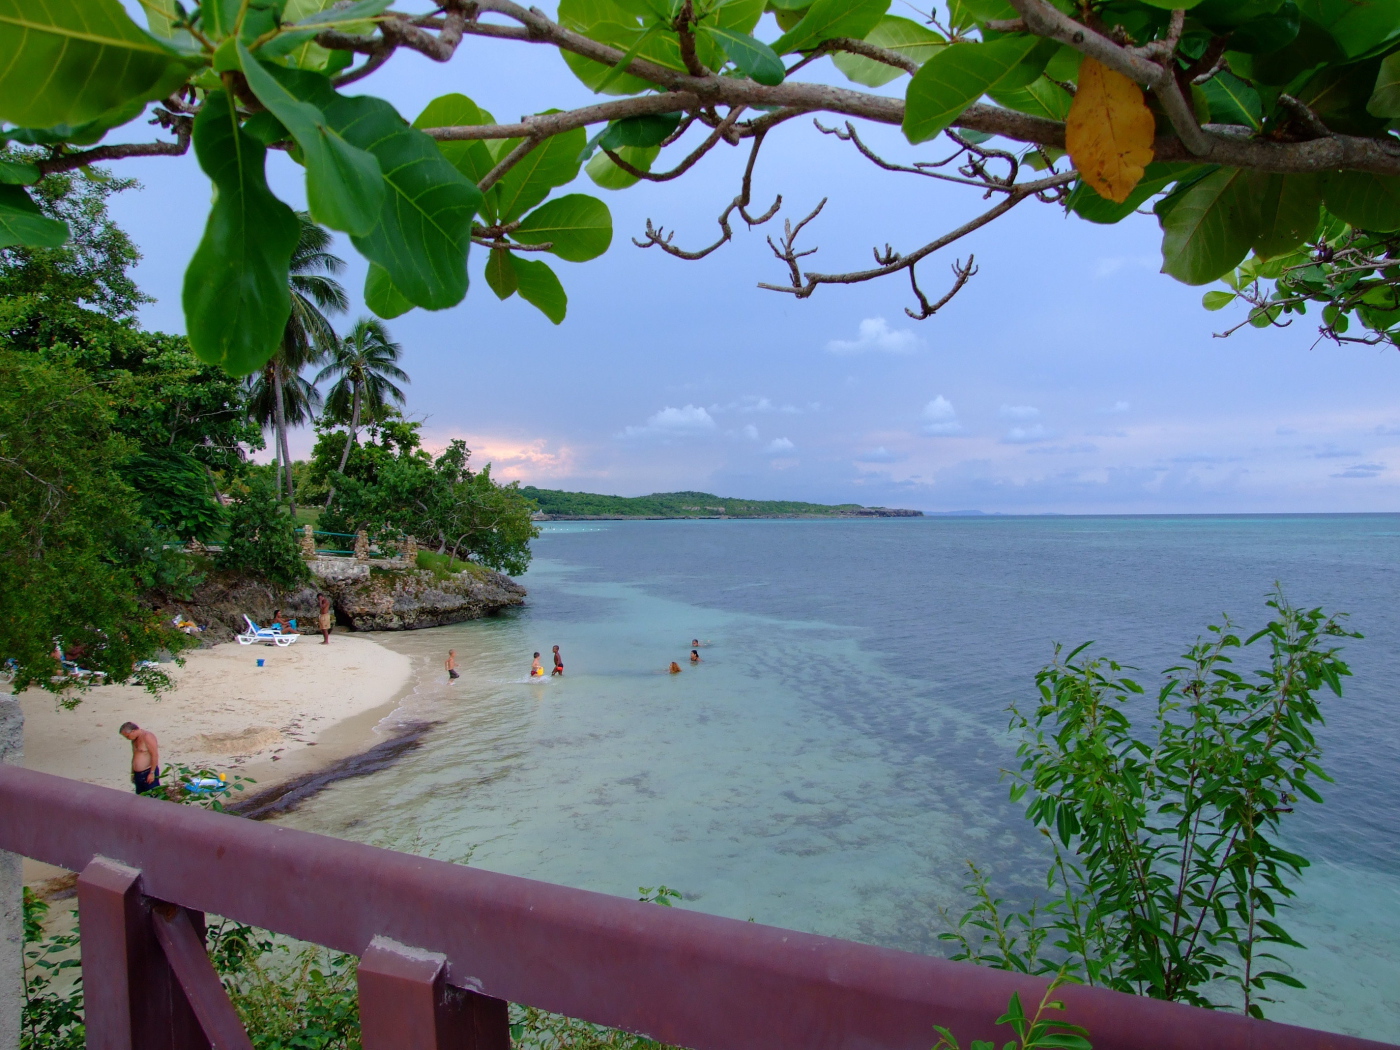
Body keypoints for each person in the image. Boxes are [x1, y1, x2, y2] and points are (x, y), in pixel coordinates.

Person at [119, 722, 161, 795]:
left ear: (133, 731)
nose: (127, 738)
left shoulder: (147, 736)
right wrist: (133, 772)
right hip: (138, 774)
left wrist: (152, 772)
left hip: (148, 772)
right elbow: (135, 755)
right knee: (140, 796)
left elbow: (154, 755)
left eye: (128, 736)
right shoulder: (134, 739)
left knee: (152, 796)